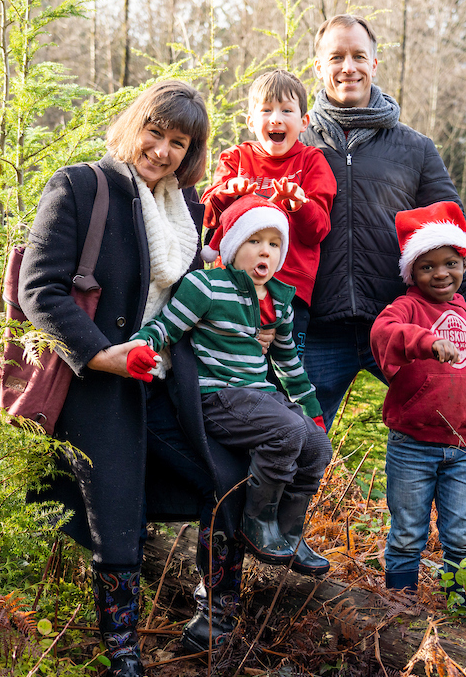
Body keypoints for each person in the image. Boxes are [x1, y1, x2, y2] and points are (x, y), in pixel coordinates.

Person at [17, 80, 249, 677]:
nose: (164, 150)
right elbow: (39, 289)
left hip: (167, 383)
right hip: (100, 383)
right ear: (134, 126)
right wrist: (98, 355)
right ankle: (124, 663)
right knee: (115, 518)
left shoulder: (186, 205)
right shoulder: (81, 186)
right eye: (156, 132)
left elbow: (195, 298)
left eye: (179, 141)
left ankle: (215, 625)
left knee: (225, 480)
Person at [300, 14, 466, 430]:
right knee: (300, 448)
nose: (348, 67)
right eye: (336, 57)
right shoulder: (298, 144)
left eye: (359, 56)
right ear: (319, 67)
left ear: (375, 64)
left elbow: (458, 233)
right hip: (318, 332)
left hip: (405, 325)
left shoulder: (415, 149)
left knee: (451, 429)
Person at [116, 194, 333, 580]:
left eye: (274, 243)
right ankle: (257, 522)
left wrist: (311, 408)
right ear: (232, 246)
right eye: (254, 241)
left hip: (259, 395)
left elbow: (287, 361)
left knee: (317, 444)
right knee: (287, 432)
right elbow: (165, 326)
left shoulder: (281, 300)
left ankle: (290, 531)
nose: (265, 251)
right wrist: (140, 349)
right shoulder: (207, 286)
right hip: (218, 396)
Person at [369, 203, 466, 596]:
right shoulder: (407, 307)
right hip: (413, 445)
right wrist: (428, 342)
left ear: (464, 263)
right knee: (407, 535)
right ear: (412, 271)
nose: (441, 273)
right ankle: (400, 605)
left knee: (464, 537)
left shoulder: (464, 308)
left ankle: (460, 610)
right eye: (427, 266)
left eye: (450, 262)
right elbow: (385, 334)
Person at [200, 70, 336, 357]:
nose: (276, 118)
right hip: (234, 286)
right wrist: (229, 191)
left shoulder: (312, 161)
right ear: (251, 121)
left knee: (285, 373)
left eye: (287, 110)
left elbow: (319, 230)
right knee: (234, 363)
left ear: (303, 122)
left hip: (290, 290)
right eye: (266, 110)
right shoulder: (235, 158)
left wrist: (299, 204)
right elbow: (208, 216)